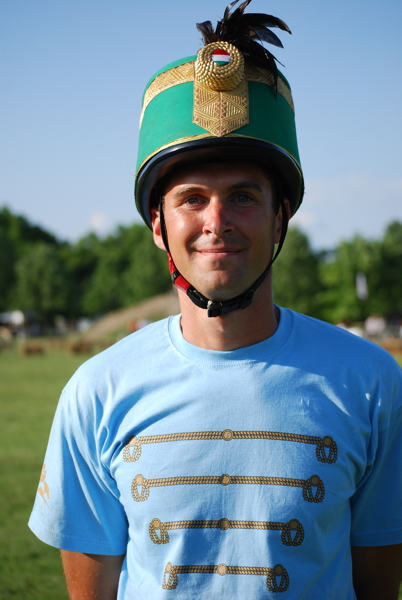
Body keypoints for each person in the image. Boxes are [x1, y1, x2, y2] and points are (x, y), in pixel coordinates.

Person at [29, 2, 402, 599]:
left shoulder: (373, 384)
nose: (217, 221)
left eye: (245, 197)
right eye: (192, 198)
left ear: (280, 220)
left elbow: (378, 585)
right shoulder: (96, 392)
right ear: (159, 225)